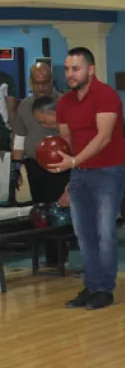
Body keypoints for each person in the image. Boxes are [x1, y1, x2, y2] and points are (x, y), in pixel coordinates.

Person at [49, 46, 125, 310]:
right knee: (84, 234)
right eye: (68, 69)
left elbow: (103, 137)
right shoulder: (64, 103)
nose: (70, 74)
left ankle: (104, 289)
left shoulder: (106, 95)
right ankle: (91, 285)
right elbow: (68, 141)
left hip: (108, 172)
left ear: (90, 70)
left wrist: (74, 161)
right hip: (80, 174)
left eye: (76, 69)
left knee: (105, 233)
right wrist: (72, 177)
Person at [12, 63, 66, 267]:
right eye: (37, 83)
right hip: (34, 164)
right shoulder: (25, 106)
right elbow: (19, 135)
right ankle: (50, 255)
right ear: (31, 82)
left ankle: (61, 254)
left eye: (45, 82)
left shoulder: (64, 102)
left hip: (60, 165)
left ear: (52, 80)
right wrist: (16, 167)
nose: (41, 87)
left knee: (58, 208)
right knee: (40, 209)